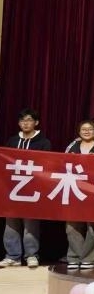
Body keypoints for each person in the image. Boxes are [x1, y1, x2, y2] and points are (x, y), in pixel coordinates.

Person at [2, 109, 52, 267]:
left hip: (33, 188)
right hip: (12, 188)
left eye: (29, 120)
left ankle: (31, 255)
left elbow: (47, 164)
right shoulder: (12, 141)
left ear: (36, 122)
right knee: (11, 223)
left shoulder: (44, 142)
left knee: (31, 224)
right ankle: (13, 256)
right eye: (22, 120)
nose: (25, 123)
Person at [61, 121, 94, 269]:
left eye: (90, 129)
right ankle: (75, 257)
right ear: (79, 131)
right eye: (83, 129)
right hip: (75, 190)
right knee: (71, 226)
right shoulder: (72, 146)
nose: (87, 131)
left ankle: (90, 258)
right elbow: (62, 165)